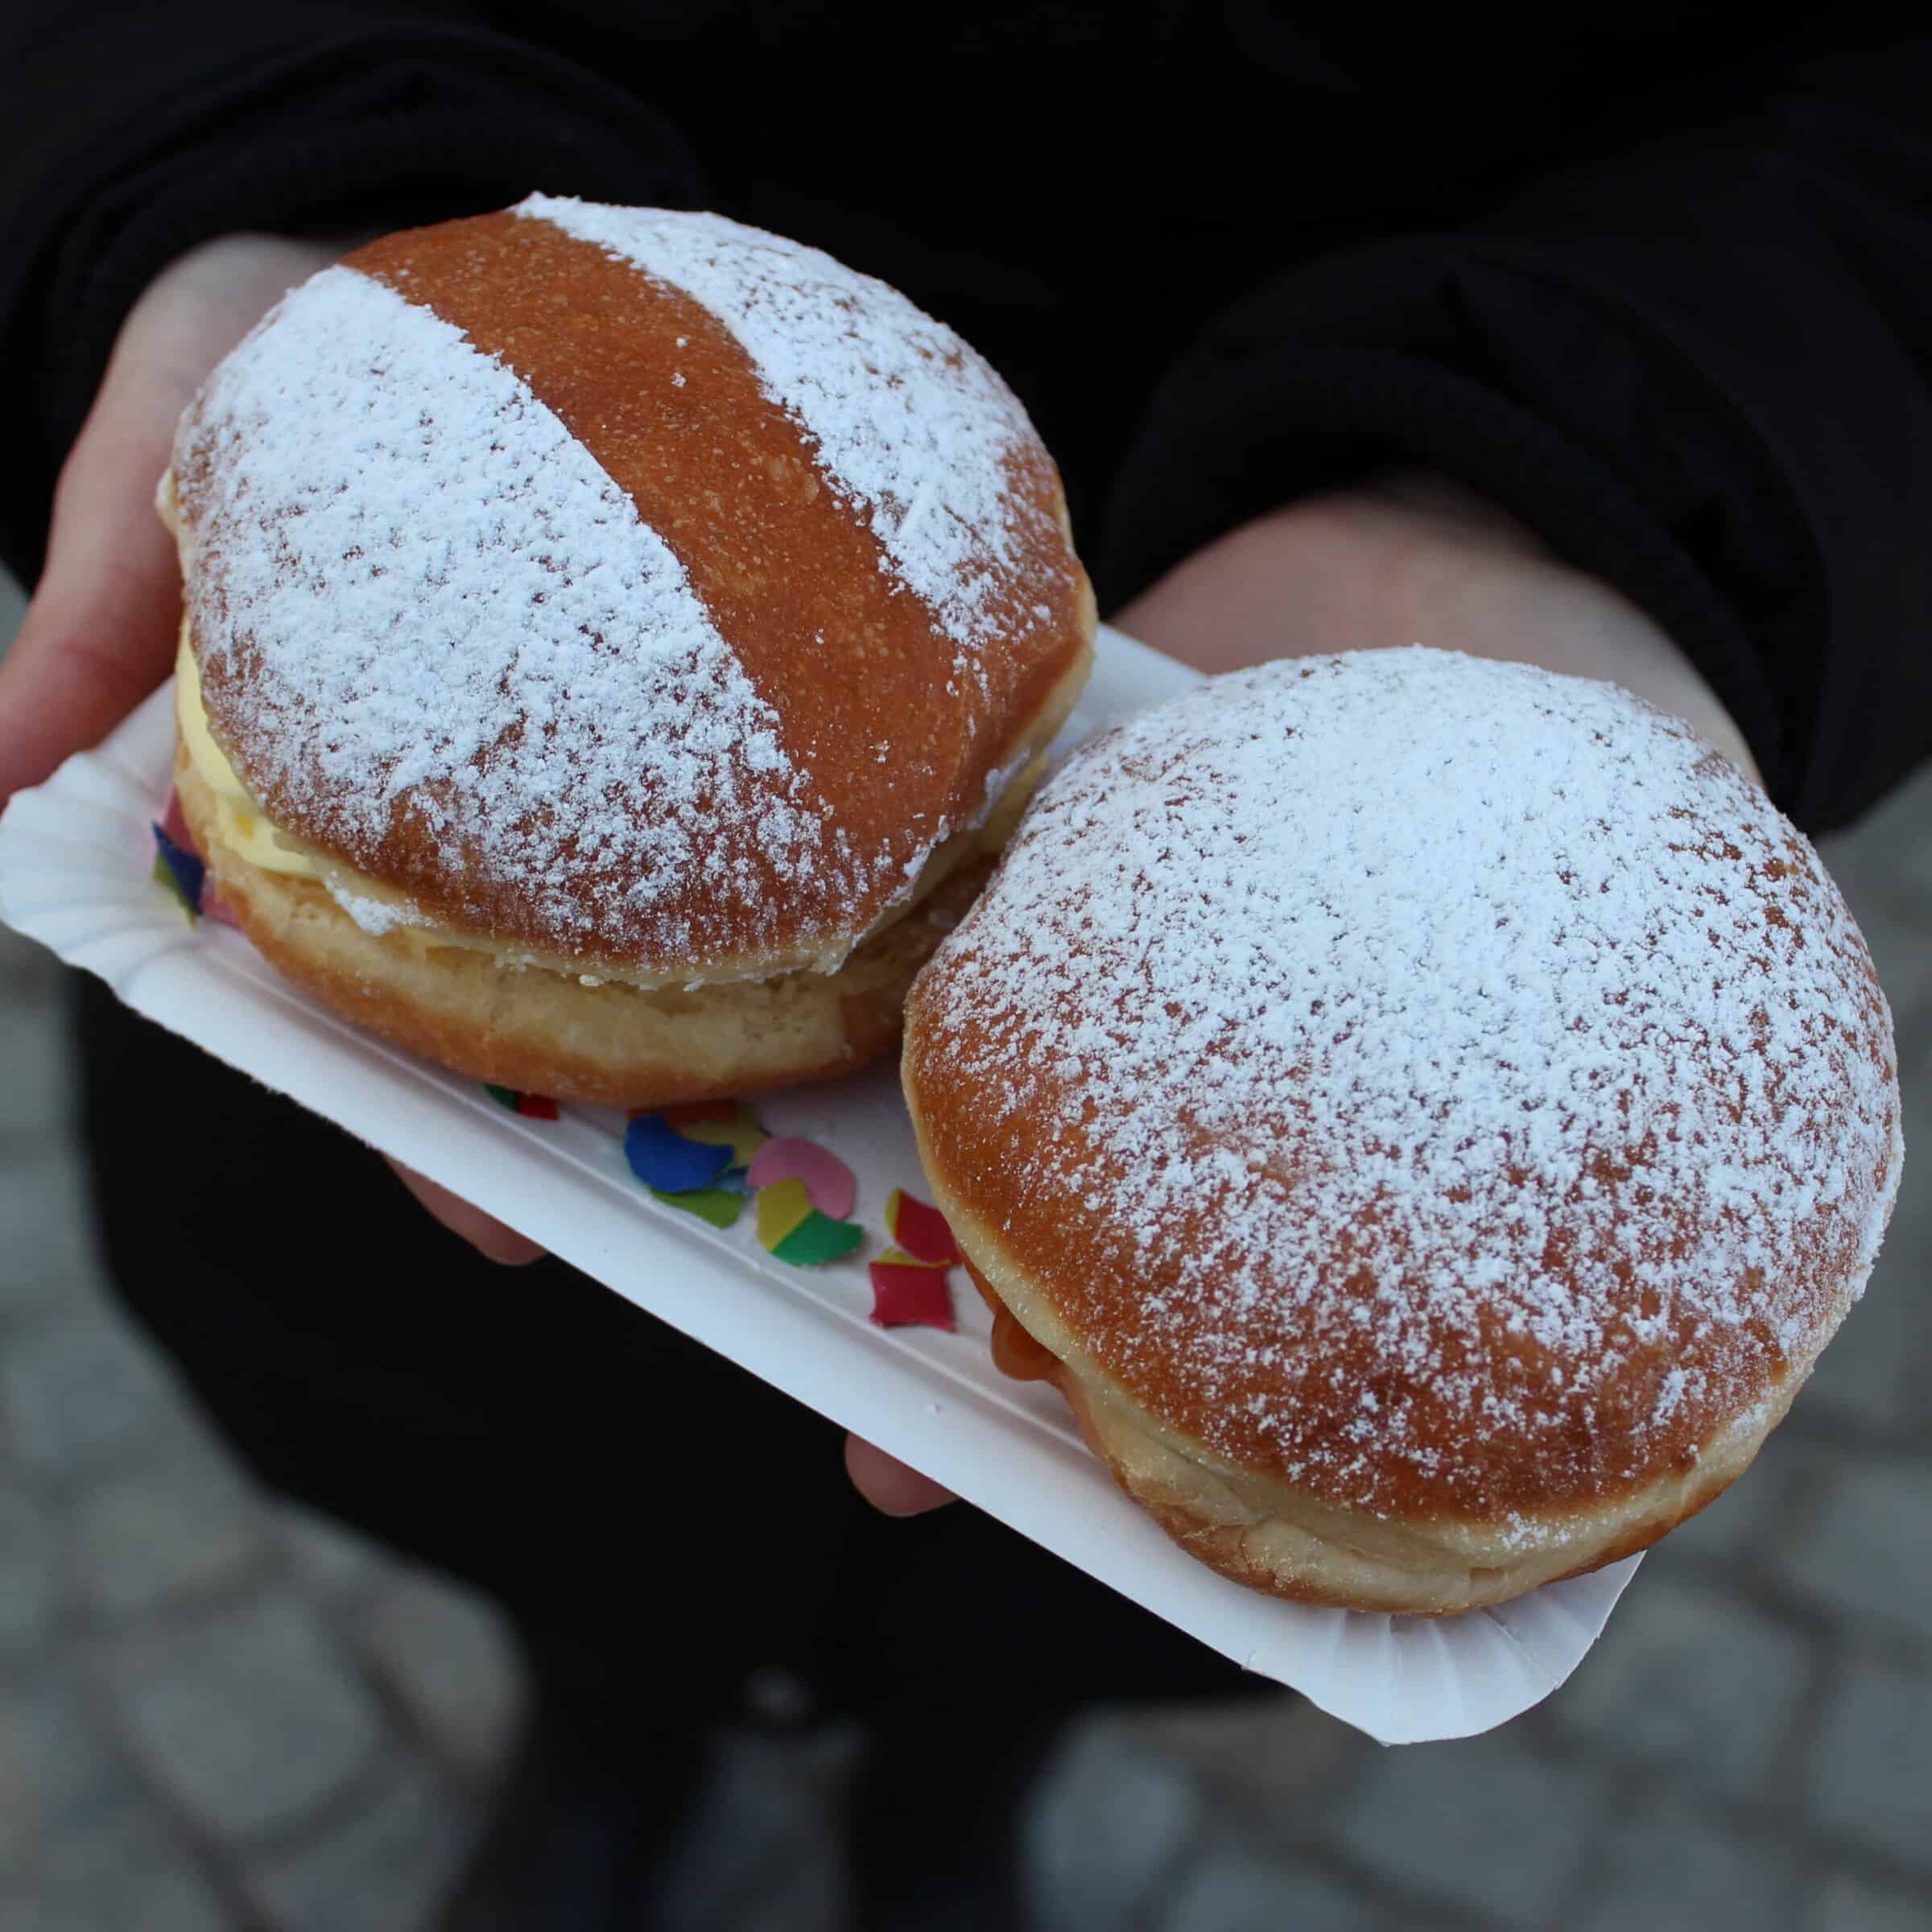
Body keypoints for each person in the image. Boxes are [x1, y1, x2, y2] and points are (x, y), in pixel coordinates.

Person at [2, 6, 1928, 1926]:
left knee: (1020, 1632)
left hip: (1428, 368)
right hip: (537, 250)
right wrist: (220, 149)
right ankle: (613, 1724)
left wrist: (1649, 475)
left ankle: (942, 1817)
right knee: (535, 1495)